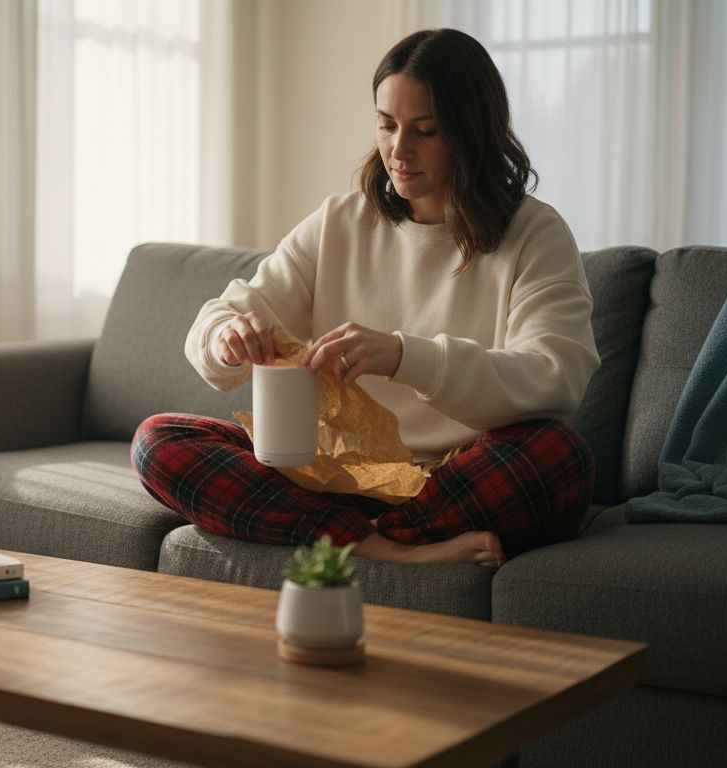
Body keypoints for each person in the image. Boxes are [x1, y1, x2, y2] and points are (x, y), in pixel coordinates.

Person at [131, 28, 599, 568]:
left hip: (451, 478)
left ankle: (340, 535)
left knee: (561, 457)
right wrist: (226, 336)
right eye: (386, 124)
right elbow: (225, 314)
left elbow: (556, 377)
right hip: (333, 475)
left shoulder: (534, 234)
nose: (399, 150)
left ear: (472, 132)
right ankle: (388, 547)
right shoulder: (339, 222)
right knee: (158, 440)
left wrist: (407, 356)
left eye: (426, 130)